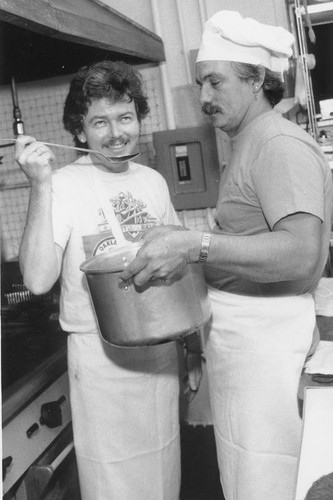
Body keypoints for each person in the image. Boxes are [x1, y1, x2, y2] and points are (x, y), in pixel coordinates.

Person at [120, 10, 333, 500]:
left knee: (268, 480)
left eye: (215, 82)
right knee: (247, 478)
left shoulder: (277, 144)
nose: (204, 98)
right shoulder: (249, 141)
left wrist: (195, 245)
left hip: (268, 342)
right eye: (200, 84)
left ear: (257, 79)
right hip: (247, 340)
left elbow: (302, 254)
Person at [14, 60, 201, 500]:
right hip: (101, 361)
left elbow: (181, 267)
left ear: (138, 117)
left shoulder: (153, 181)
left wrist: (193, 346)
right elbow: (38, 280)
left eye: (125, 117)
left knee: (162, 478)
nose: (116, 133)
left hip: (159, 355)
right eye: (100, 121)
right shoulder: (62, 184)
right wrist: (39, 186)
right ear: (79, 132)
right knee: (114, 483)